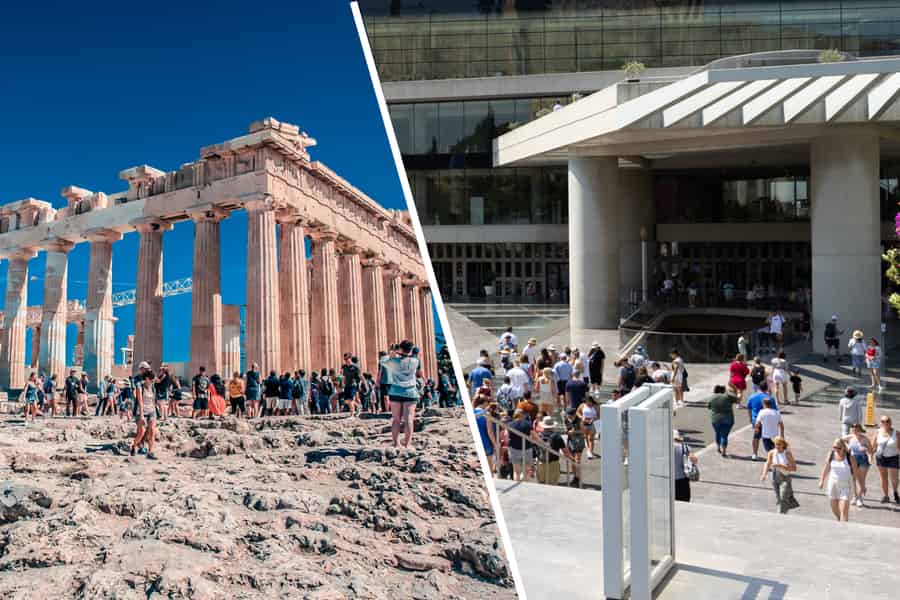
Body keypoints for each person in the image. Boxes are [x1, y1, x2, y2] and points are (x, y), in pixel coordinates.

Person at [384, 340, 422, 448]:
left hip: (395, 391)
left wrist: (392, 352)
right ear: (410, 350)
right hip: (410, 392)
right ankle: (408, 444)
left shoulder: (393, 361)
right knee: (409, 419)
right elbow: (412, 357)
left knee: (396, 420)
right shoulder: (415, 361)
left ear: (400, 349)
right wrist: (401, 352)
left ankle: (396, 443)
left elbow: (384, 361)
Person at [818, 438, 857, 521]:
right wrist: (822, 480)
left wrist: (858, 488)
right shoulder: (831, 454)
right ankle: (839, 518)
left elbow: (855, 473)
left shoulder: (850, 456)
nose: (836, 450)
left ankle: (844, 526)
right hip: (833, 485)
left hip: (846, 485)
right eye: (834, 447)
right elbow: (827, 467)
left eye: (838, 448)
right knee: (834, 508)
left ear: (843, 447)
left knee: (844, 510)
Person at [759, 436, 798, 514]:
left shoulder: (787, 453)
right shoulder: (772, 453)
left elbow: (794, 468)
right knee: (779, 498)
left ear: (783, 445)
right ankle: (784, 510)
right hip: (775, 477)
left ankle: (781, 514)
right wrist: (764, 474)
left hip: (785, 478)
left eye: (779, 444)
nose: (777, 446)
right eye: (776, 444)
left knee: (783, 496)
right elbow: (767, 463)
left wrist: (782, 466)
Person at [843, 423, 873, 507]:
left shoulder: (865, 439)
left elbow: (871, 450)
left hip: (863, 459)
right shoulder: (850, 437)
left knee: (861, 480)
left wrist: (866, 450)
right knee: (853, 479)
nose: (855, 431)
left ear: (860, 430)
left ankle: (860, 498)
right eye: (853, 429)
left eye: (856, 429)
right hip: (853, 459)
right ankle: (855, 496)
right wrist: (847, 446)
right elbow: (841, 440)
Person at [132, 370, 159, 460]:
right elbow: (140, 401)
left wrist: (156, 411)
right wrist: (142, 415)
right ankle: (134, 445)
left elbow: (153, 400)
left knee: (152, 431)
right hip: (142, 412)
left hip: (151, 411)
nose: (152, 381)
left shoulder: (153, 387)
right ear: (146, 379)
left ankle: (150, 452)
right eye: (151, 379)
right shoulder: (140, 387)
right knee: (141, 432)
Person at [873, 415, 900, 504]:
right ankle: (886, 496)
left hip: (893, 457)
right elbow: (873, 446)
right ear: (880, 423)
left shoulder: (896, 433)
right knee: (883, 477)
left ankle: (895, 492)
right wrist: (869, 455)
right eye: (883, 421)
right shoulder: (878, 432)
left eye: (887, 421)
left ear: (890, 422)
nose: (885, 423)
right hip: (881, 457)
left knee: (894, 478)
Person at [708, 384, 740, 457]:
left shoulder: (712, 397)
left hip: (715, 418)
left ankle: (718, 448)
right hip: (728, 418)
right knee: (724, 435)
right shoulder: (728, 396)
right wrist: (734, 391)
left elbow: (709, 407)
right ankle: (724, 451)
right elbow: (737, 400)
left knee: (717, 433)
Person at [747, 382, 776, 460]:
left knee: (756, 437)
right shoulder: (769, 398)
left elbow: (749, 408)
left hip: (756, 420)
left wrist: (750, 419)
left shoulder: (752, 396)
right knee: (767, 437)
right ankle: (773, 454)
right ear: (766, 388)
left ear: (759, 387)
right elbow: (774, 410)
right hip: (767, 420)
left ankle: (754, 454)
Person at [473, 395, 497, 472]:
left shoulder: (472, 411)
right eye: (488, 402)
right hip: (485, 442)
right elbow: (490, 431)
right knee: (489, 470)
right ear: (485, 403)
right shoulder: (486, 413)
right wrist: (495, 444)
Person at [674, 430, 697, 502]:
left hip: (667, 481)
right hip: (682, 481)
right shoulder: (685, 447)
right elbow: (694, 460)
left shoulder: (663, 448)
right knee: (683, 503)